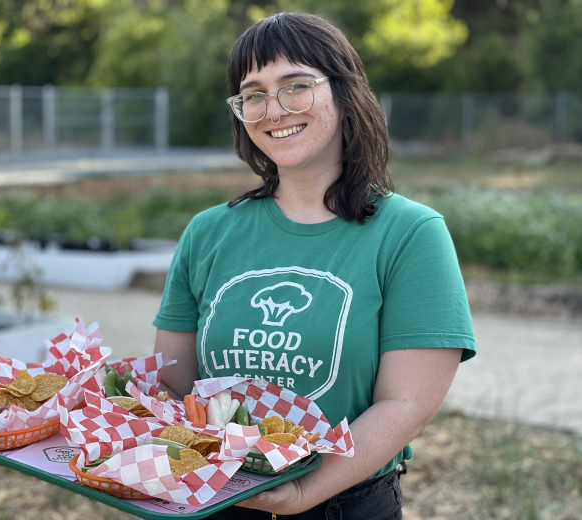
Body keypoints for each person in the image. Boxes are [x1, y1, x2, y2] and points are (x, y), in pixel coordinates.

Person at [152, 12, 475, 520]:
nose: (273, 109)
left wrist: (305, 491)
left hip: (345, 505)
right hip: (213, 497)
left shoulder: (411, 233)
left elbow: (406, 405)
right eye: (253, 94)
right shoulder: (208, 231)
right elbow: (174, 383)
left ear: (345, 95)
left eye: (295, 86)